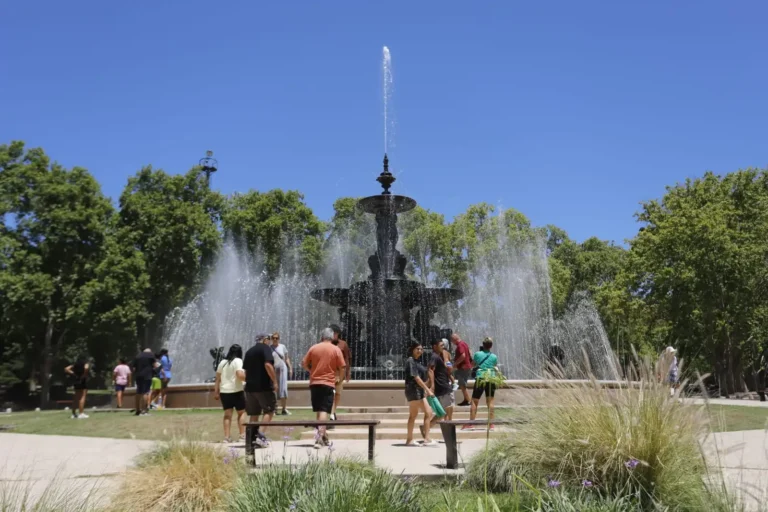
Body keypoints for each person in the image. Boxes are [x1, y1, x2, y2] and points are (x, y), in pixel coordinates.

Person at [302, 327, 346, 449]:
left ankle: (323, 435)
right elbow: (342, 367)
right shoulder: (335, 349)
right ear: (332, 337)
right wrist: (340, 379)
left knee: (319, 411)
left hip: (314, 383)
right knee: (324, 411)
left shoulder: (314, 348)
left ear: (322, 337)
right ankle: (319, 439)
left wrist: (311, 371)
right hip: (327, 383)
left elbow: (304, 363)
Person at [243, 333, 278, 448]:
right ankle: (261, 436)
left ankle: (252, 437)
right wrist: (275, 381)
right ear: (264, 340)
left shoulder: (249, 351)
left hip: (250, 388)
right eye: (268, 339)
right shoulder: (265, 348)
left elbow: (246, 372)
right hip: (263, 387)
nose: (269, 341)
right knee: (269, 410)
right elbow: (268, 365)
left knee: (254, 413)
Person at [214, 344, 246, 443]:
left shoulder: (222, 362)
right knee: (241, 413)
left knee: (227, 415)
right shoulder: (238, 361)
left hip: (224, 392)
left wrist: (216, 392)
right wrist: (249, 379)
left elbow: (217, 379)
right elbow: (239, 375)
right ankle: (242, 436)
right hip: (236, 390)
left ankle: (227, 437)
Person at [404, 343, 435, 446]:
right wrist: (428, 390)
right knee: (428, 412)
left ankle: (410, 440)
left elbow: (421, 378)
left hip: (417, 391)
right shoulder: (411, 361)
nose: (420, 351)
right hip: (414, 391)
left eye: (421, 349)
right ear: (412, 349)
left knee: (413, 415)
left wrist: (427, 386)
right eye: (417, 349)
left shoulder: (417, 361)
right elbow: (416, 378)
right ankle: (426, 439)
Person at [423, 337, 454, 436]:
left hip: (444, 386)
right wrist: (432, 386)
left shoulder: (438, 356)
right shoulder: (435, 357)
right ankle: (426, 429)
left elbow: (444, 369)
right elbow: (430, 370)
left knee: (443, 412)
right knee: (444, 412)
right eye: (441, 346)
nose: (443, 347)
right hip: (443, 387)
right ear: (434, 347)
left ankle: (426, 428)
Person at [467, 337, 499, 431]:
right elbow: (494, 365)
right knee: (490, 402)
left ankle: (471, 424)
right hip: (491, 378)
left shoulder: (477, 354)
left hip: (480, 378)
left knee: (474, 401)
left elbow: (472, 364)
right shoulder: (494, 356)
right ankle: (491, 425)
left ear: (483, 345)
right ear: (491, 346)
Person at [329, 324, 351, 422]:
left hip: (339, 373)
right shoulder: (326, 343)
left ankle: (333, 411)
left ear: (338, 334)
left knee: (337, 394)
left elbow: (347, 359)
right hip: (328, 373)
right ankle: (331, 413)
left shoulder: (343, 344)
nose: (333, 335)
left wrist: (347, 373)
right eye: (332, 333)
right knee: (331, 394)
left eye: (335, 333)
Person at [270, 332, 293, 416]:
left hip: (283, 369)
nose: (275, 339)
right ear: (271, 339)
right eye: (273, 338)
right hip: (274, 369)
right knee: (274, 389)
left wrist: (290, 368)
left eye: (277, 338)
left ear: (279, 339)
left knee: (283, 388)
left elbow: (286, 358)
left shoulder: (282, 347)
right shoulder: (269, 348)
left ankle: (284, 409)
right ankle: (274, 409)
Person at [131, 349, 156, 416]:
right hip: (147, 376)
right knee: (146, 392)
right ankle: (144, 411)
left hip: (138, 376)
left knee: (138, 392)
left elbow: (133, 368)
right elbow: (155, 366)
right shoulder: (151, 356)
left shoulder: (138, 356)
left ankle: (137, 410)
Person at [451, 333, 472, 406]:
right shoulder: (464, 344)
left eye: (452, 341)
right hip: (466, 366)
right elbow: (469, 352)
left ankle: (469, 401)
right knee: (462, 384)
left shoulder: (460, 345)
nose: (452, 343)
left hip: (463, 368)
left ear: (454, 339)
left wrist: (455, 364)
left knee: (463, 385)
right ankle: (466, 400)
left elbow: (463, 356)